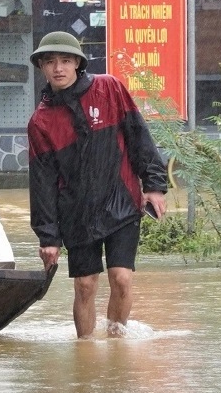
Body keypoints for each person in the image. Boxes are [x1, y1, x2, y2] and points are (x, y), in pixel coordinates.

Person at [26, 31, 169, 339]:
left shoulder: (109, 89)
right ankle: (86, 350)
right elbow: (42, 183)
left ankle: (117, 342)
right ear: (42, 67)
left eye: (65, 60)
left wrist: (155, 185)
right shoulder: (41, 122)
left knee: (121, 279)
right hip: (76, 214)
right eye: (50, 62)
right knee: (85, 285)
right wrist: (48, 236)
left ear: (78, 63)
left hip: (122, 202)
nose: (58, 68)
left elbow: (139, 137)